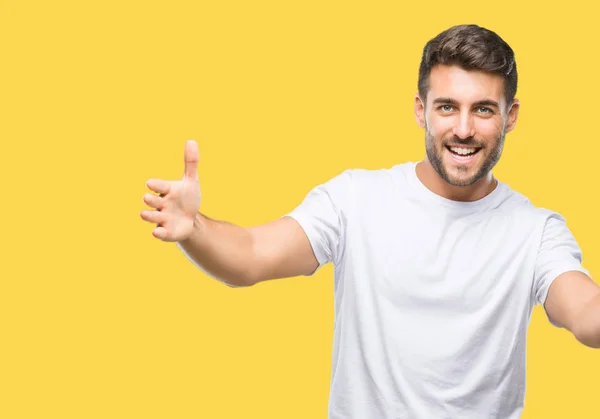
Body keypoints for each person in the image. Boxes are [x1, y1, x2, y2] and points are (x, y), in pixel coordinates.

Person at [140, 24, 600, 418]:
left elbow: (583, 314)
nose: (463, 129)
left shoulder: (536, 230)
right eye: (446, 107)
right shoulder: (355, 199)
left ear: (510, 116)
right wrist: (194, 228)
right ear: (421, 110)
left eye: (483, 109)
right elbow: (252, 257)